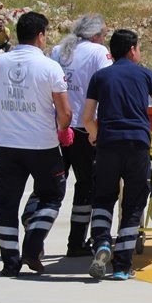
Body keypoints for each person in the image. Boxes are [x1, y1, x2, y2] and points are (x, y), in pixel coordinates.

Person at [83, 29, 152, 280]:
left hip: (108, 145)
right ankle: (121, 266)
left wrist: (94, 135)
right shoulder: (145, 75)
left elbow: (87, 117)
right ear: (132, 50)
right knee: (134, 203)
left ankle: (102, 243)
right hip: (137, 145)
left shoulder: (100, 76)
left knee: (103, 198)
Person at [0, 11, 73, 277]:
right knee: (52, 195)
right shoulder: (49, 67)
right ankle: (33, 243)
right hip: (42, 145)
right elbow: (65, 112)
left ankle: (10, 262)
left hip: (7, 145)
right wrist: (63, 130)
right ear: (40, 36)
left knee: (5, 203)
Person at [50, 14, 113, 257]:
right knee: (86, 184)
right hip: (84, 128)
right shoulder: (98, 52)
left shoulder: (58, 50)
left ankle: (34, 224)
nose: (104, 39)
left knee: (52, 181)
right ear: (95, 35)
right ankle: (76, 242)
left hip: (58, 126)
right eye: (104, 35)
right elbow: (107, 84)